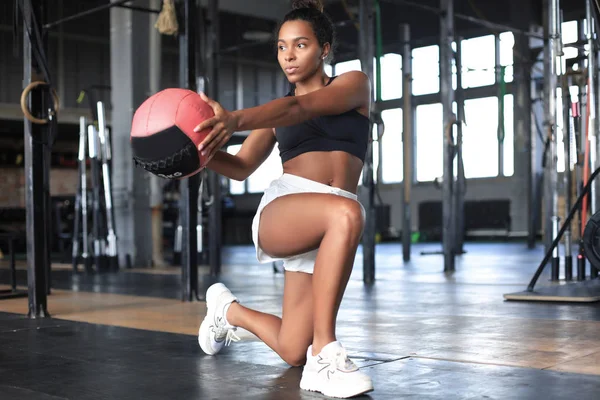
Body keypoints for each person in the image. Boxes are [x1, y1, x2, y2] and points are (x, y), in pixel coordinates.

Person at [194, 0, 373, 397]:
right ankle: (325, 354)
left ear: (324, 49)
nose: (288, 56)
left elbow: (302, 106)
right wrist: (198, 155)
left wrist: (237, 119)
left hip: (328, 224)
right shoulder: (278, 114)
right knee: (347, 213)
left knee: (293, 349)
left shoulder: (353, 83)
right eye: (280, 46)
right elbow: (241, 167)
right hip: (289, 211)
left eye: (300, 45)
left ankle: (227, 310)